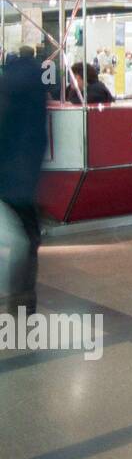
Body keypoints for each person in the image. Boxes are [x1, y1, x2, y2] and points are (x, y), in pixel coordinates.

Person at [0, 46, 48, 313]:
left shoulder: (7, 86)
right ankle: (23, 298)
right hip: (26, 179)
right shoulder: (36, 88)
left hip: (10, 178)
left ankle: (21, 297)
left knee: (22, 239)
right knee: (28, 240)